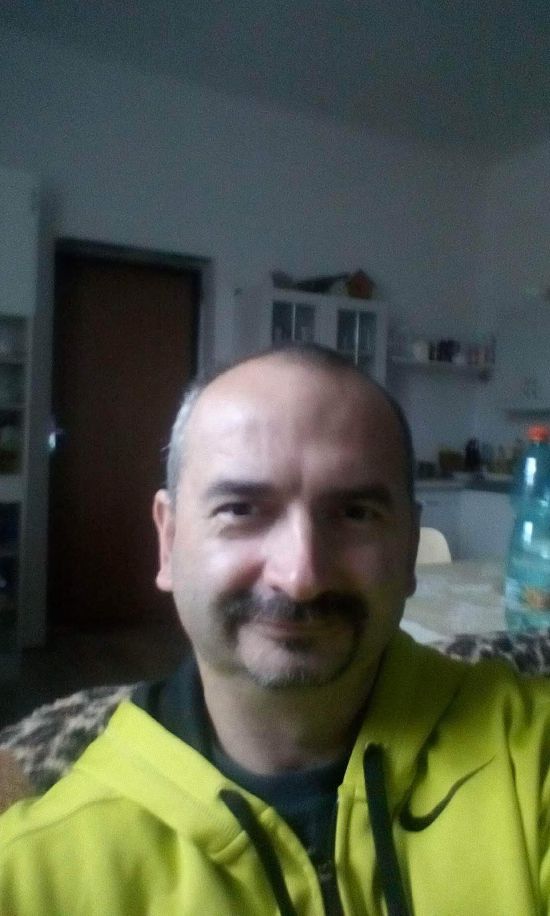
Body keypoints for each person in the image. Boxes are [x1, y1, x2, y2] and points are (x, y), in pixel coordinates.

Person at [0, 343, 549, 915]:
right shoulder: (34, 874)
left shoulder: (531, 759)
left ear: (409, 545)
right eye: (241, 509)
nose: (300, 577)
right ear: (168, 541)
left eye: (354, 513)